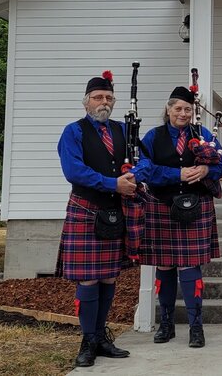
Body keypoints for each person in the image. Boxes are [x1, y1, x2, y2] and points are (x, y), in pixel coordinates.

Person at [134, 85, 222, 349]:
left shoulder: (204, 134)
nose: (183, 113)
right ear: (168, 109)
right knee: (164, 267)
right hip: (161, 206)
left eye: (188, 109)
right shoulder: (153, 137)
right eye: (178, 108)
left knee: (190, 267)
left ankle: (196, 327)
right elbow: (144, 169)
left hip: (195, 207)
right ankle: (166, 324)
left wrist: (205, 170)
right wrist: (177, 175)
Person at [56, 71, 135, 367]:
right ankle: (87, 340)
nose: (104, 102)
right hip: (86, 209)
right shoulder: (73, 131)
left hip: (115, 212)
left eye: (109, 98)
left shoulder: (122, 130)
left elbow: (136, 162)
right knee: (88, 278)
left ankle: (101, 337)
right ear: (86, 102)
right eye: (98, 97)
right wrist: (113, 183)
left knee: (109, 276)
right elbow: (73, 171)